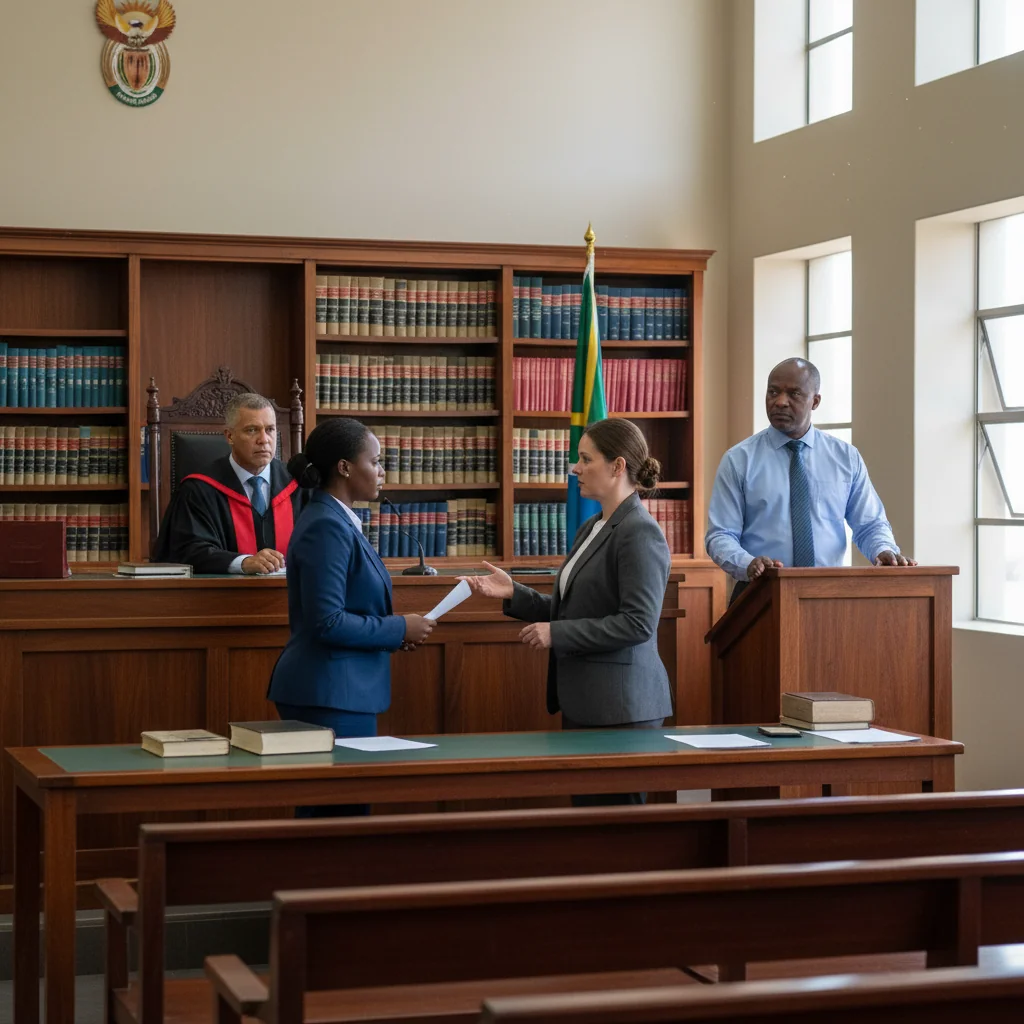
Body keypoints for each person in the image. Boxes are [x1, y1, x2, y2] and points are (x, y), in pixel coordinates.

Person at [460, 418, 671, 807]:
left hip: (621, 711)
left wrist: (557, 635)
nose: (574, 468)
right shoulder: (593, 526)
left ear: (617, 466)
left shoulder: (640, 532)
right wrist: (515, 593)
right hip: (586, 703)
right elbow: (575, 608)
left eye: (585, 459)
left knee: (615, 836)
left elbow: (638, 623)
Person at [267, 417, 435, 816]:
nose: (381, 472)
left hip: (342, 689)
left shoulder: (339, 519)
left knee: (341, 816)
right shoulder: (326, 525)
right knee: (336, 818)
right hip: (327, 693)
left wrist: (395, 634)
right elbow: (326, 621)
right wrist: (398, 627)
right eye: (374, 462)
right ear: (344, 467)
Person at [706, 357, 915, 605]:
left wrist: (883, 550)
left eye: (794, 394)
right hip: (758, 594)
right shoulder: (739, 460)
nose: (780, 401)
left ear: (815, 401)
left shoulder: (845, 458)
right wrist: (747, 563)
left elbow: (870, 524)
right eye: (773, 392)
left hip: (830, 595)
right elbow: (720, 535)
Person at [153, 393, 305, 574]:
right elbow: (188, 551)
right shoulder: (200, 489)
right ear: (229, 436)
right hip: (220, 597)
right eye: (252, 430)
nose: (264, 439)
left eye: (270, 429)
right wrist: (243, 562)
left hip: (293, 597)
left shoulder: (298, 485)